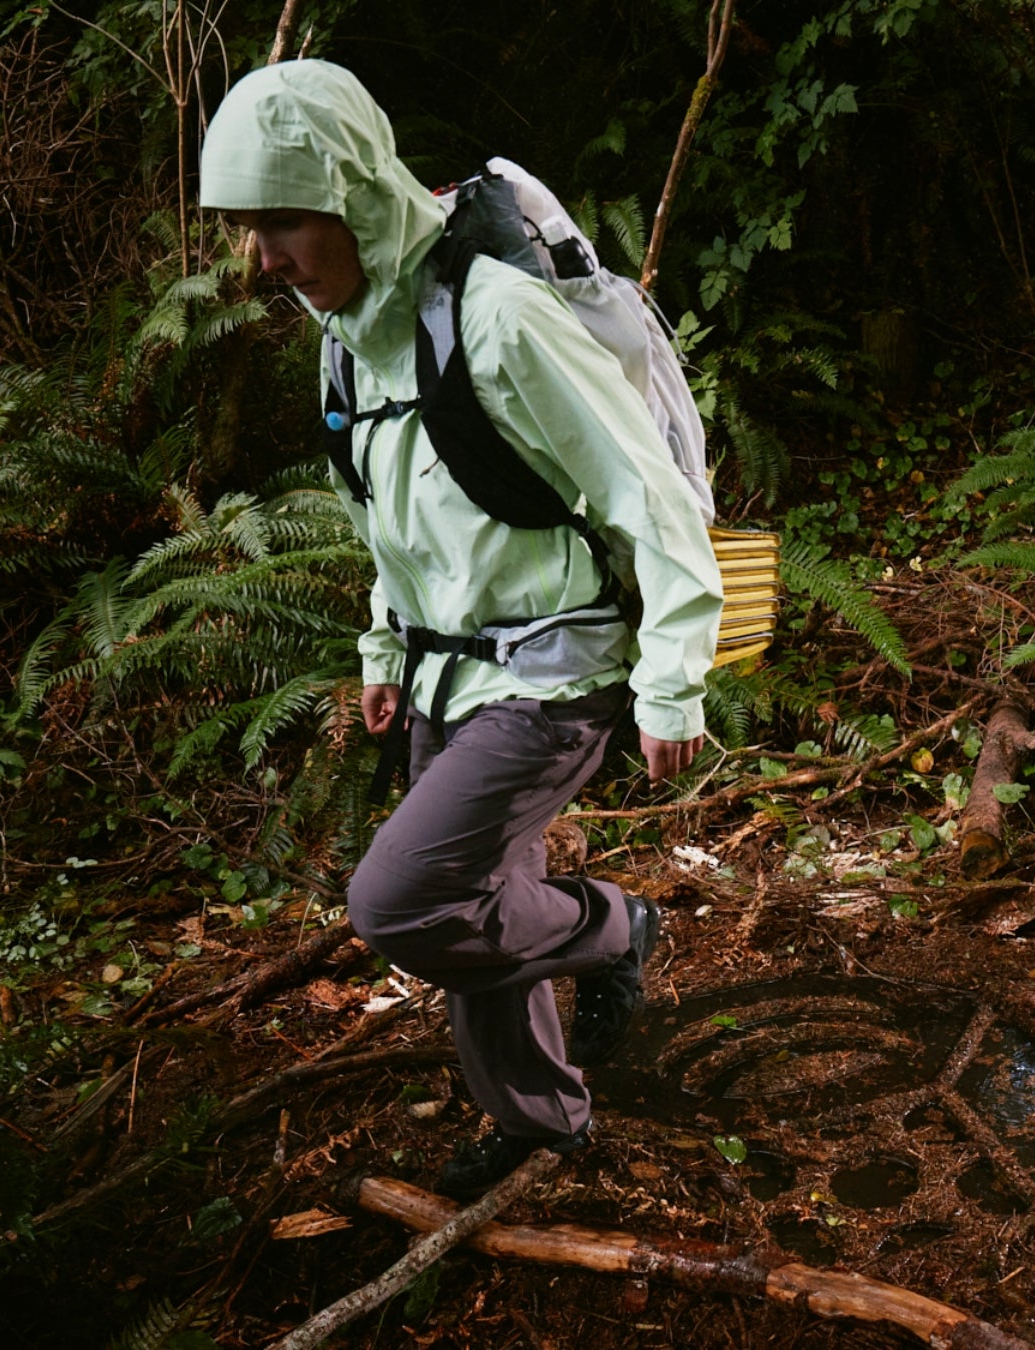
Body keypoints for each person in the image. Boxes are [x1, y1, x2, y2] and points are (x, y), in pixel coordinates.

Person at [197, 62, 724, 1198]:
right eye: (249, 231)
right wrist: (388, 650)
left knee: (404, 902)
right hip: (448, 673)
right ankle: (541, 1123)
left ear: (353, 193)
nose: (264, 260)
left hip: (554, 672)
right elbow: (393, 516)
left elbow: (650, 494)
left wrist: (674, 676)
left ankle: (614, 929)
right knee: (482, 903)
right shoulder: (349, 339)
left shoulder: (494, 317)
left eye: (281, 224)